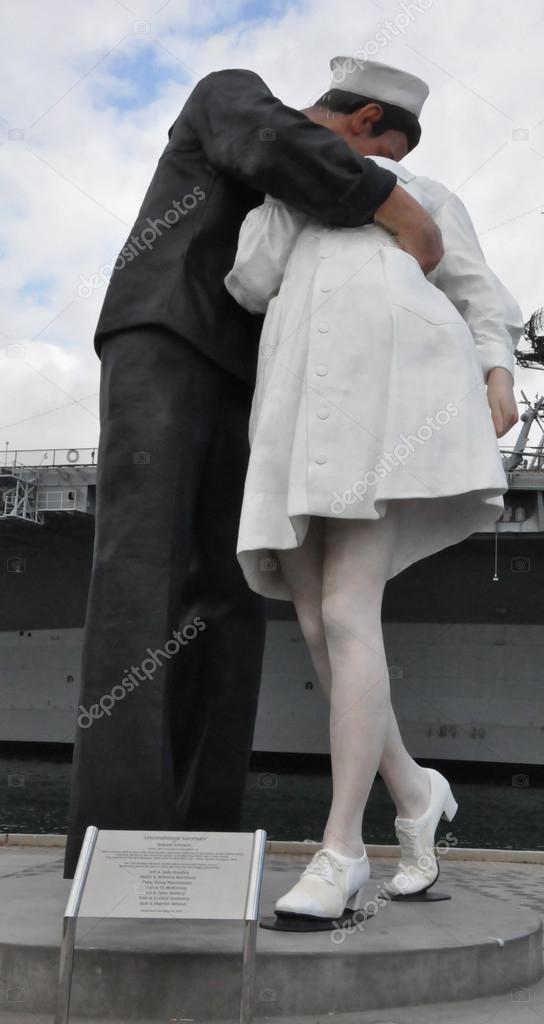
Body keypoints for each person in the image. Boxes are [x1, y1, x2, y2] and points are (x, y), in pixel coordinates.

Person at [62, 62, 444, 879]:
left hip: (255, 379)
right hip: (163, 339)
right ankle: (118, 847)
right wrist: (406, 213)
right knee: (140, 579)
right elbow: (277, 143)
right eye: (377, 152)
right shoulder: (230, 92)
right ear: (361, 116)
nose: (376, 172)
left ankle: (205, 846)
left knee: (229, 604)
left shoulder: (310, 200)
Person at [225, 55, 523, 921]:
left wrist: (498, 370)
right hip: (302, 412)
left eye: (321, 112)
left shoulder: (425, 192)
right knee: (319, 618)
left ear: (362, 123)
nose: (303, 121)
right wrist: (285, 195)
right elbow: (249, 283)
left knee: (347, 613)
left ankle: (343, 846)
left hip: (392, 405)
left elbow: (475, 288)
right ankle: (417, 792)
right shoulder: (293, 196)